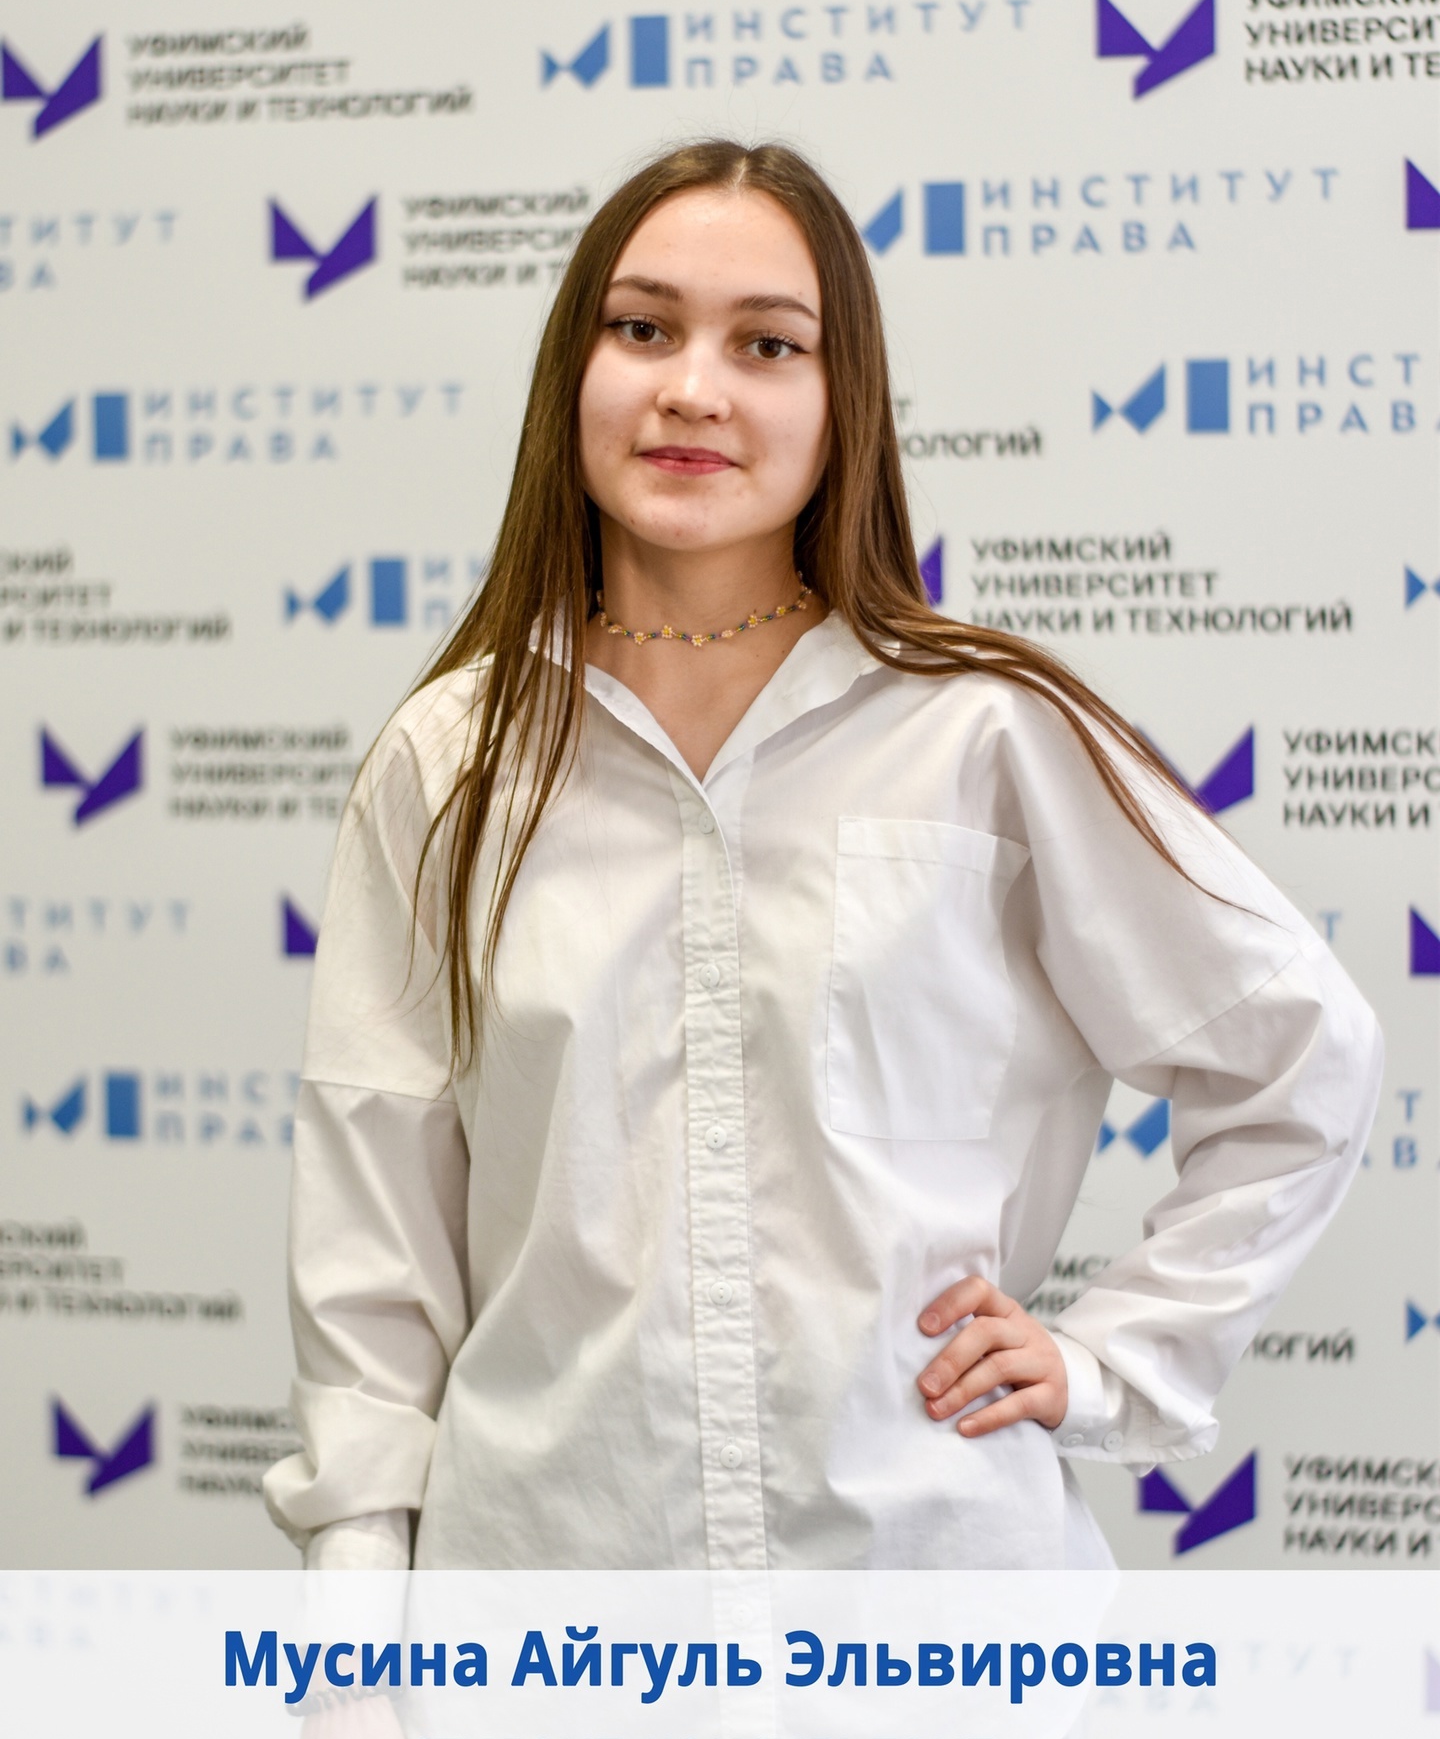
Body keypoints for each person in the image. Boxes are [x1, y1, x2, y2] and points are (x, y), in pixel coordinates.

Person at [264, 135, 1380, 1579]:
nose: (692, 388)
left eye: (768, 344)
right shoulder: (450, 764)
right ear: (571, 373)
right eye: (642, 328)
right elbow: (373, 1248)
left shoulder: (987, 735)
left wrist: (1119, 1361)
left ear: (843, 399)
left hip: (936, 1622)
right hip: (550, 1612)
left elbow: (1299, 1054)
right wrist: (358, 1639)